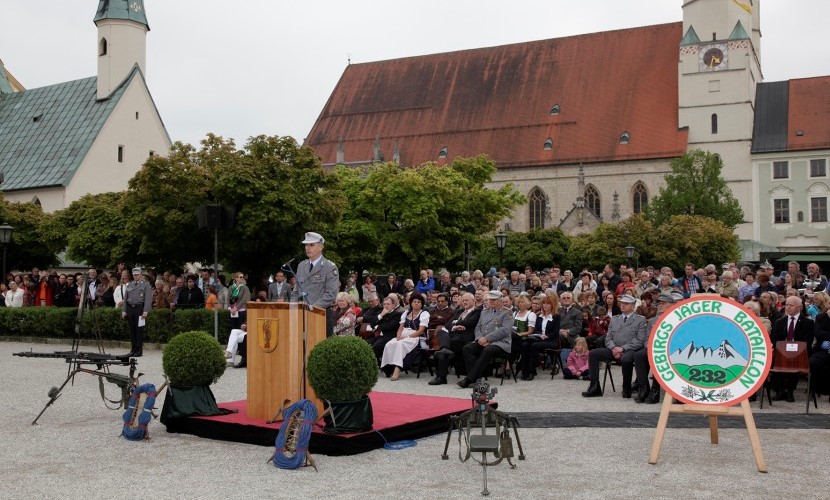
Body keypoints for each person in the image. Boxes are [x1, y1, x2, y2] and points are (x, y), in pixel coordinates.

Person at [582, 295, 647, 398]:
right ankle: (594, 386)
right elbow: (608, 338)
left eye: (626, 304)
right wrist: (613, 348)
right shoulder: (615, 319)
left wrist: (622, 348)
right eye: (622, 303)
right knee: (593, 354)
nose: (623, 305)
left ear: (633, 306)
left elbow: (639, 340)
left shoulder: (640, 320)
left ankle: (626, 388)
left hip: (630, 349)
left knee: (626, 359)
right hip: (614, 349)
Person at [457, 290, 513, 389]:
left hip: (500, 343)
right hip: (483, 341)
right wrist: (479, 339)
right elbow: (478, 327)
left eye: (494, 300)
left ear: (500, 300)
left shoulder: (507, 312)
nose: (491, 302)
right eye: (490, 299)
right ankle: (477, 378)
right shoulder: (484, 312)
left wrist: (487, 338)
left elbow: (505, 330)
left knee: (488, 350)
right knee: (467, 348)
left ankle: (469, 379)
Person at [429, 292, 482, 385]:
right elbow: (447, 324)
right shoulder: (459, 312)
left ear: (473, 301)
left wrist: (456, 322)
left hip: (465, 338)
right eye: (463, 300)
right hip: (454, 336)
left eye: (467, 300)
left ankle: (441, 377)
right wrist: (454, 327)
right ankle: (444, 349)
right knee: (441, 332)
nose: (464, 302)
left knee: (447, 346)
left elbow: (469, 322)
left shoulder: (477, 311)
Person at [292, 232, 340, 336]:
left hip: (320, 315)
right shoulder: (301, 266)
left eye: (311, 245)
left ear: (321, 247)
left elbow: (331, 294)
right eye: (306, 245)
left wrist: (312, 307)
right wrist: (293, 307)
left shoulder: (330, 267)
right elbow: (296, 291)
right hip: (301, 315)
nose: (308, 248)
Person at [770, 295, 815, 402]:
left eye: (791, 305)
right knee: (777, 359)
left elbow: (808, 341)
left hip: (800, 353)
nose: (788, 307)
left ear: (799, 307)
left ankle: (790, 391)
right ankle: (780, 390)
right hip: (781, 352)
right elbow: (775, 340)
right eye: (787, 305)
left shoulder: (808, 323)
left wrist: (795, 348)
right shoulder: (779, 322)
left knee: (794, 360)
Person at [381, 292, 429, 381]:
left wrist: (408, 337)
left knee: (400, 345)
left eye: (418, 302)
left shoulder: (424, 314)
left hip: (416, 337)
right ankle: (388, 369)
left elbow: (421, 330)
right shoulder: (406, 313)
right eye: (414, 301)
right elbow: (400, 328)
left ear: (422, 304)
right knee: (390, 344)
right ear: (411, 303)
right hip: (403, 334)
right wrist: (398, 336)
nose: (416, 303)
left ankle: (397, 370)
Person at [519, 295, 560, 381]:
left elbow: (555, 332)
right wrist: (540, 335)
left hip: (551, 340)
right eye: (544, 303)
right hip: (539, 338)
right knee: (525, 344)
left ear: (552, 305)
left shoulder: (556, 316)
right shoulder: (539, 316)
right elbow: (536, 330)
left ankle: (531, 371)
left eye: (548, 304)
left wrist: (546, 336)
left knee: (534, 346)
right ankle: (524, 370)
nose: (545, 305)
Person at [121, 267, 153, 357]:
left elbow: (148, 299)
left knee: (139, 330)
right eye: (134, 275)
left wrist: (146, 311)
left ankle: (139, 350)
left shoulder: (146, 284)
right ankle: (133, 349)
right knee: (132, 330)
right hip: (130, 309)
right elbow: (125, 299)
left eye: (137, 274)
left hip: (140, 309)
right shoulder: (129, 285)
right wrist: (124, 311)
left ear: (141, 275)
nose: (135, 276)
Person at [367, 294, 405, 361]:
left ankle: (374, 363)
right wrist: (381, 315)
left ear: (393, 305)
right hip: (378, 336)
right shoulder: (382, 312)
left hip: (388, 336)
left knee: (376, 346)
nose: (386, 306)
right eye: (384, 304)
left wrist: (377, 326)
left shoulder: (397, 314)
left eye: (388, 304)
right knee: (366, 343)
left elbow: (389, 326)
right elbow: (372, 324)